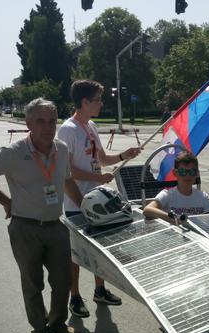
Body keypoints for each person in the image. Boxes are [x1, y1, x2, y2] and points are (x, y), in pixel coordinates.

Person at [0, 97, 83, 333]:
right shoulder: (13, 153)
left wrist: (85, 207)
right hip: (25, 228)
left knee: (63, 280)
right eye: (40, 121)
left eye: (52, 121)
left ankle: (56, 323)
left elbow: (67, 181)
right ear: (28, 123)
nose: (47, 127)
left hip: (56, 226)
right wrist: (5, 201)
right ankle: (40, 330)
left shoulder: (62, 149)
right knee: (32, 283)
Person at [57, 79, 141, 319]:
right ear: (84, 102)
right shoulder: (68, 129)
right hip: (76, 202)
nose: (101, 104)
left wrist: (125, 154)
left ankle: (99, 290)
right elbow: (67, 170)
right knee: (76, 254)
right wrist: (96, 176)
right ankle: (74, 297)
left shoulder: (91, 126)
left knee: (98, 250)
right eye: (97, 100)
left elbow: (102, 158)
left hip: (98, 203)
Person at [143, 151, 209, 223]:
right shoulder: (167, 195)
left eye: (192, 172)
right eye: (182, 172)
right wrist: (170, 218)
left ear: (197, 174)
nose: (187, 176)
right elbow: (147, 209)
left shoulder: (203, 197)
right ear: (175, 173)